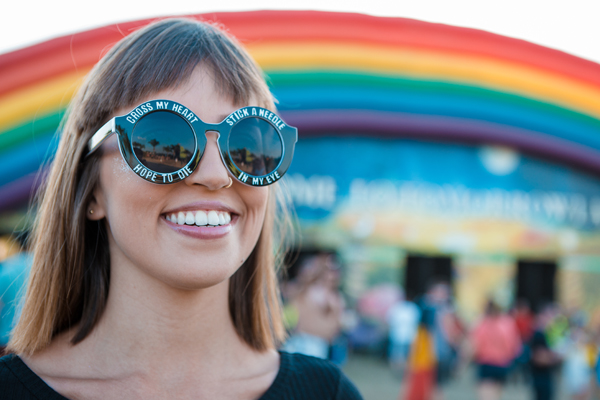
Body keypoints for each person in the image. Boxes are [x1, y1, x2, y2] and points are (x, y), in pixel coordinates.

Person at [0, 18, 363, 400]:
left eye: (247, 145)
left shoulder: (328, 393)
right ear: (92, 192)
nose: (216, 175)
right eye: (163, 137)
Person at [281, 253, 345, 361]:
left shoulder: (334, 299)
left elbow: (334, 330)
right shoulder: (303, 292)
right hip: (300, 342)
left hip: (315, 346)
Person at [470, 300, 521, 400]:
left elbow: (474, 344)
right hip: (503, 363)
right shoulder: (507, 322)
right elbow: (515, 345)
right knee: (497, 395)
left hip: (486, 363)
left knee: (486, 395)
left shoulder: (482, 323)